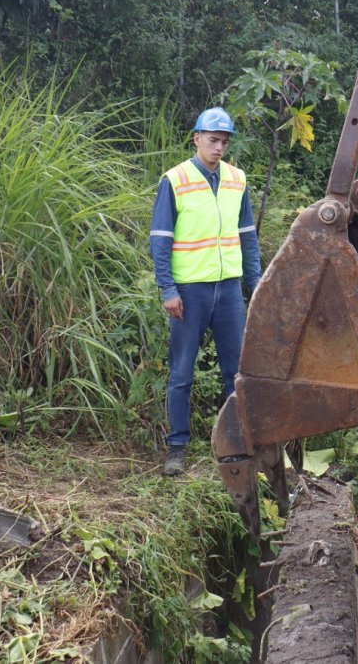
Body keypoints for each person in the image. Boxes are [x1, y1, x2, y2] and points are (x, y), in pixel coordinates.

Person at [149, 107, 261, 475]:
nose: (219, 147)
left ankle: (238, 442)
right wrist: (168, 288)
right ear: (196, 137)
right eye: (213, 139)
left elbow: (247, 235)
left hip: (228, 290)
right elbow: (160, 240)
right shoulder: (176, 180)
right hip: (190, 292)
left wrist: (255, 283)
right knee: (182, 372)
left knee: (237, 370)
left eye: (225, 141)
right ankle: (177, 447)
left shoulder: (236, 179)